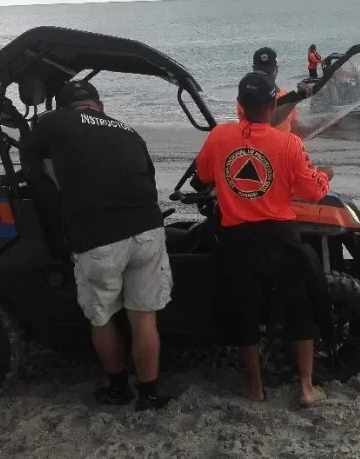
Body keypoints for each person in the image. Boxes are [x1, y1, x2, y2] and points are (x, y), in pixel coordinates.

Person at [22, 80, 174, 411]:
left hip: (98, 236)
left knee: (102, 317)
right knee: (144, 316)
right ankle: (149, 394)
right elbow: (147, 179)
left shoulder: (52, 122)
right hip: (148, 229)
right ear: (99, 105)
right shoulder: (130, 131)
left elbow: (32, 166)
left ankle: (119, 389)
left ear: (64, 107)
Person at [195, 71, 334, 406]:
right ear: (274, 105)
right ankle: (305, 388)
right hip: (280, 238)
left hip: (238, 240)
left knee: (244, 313)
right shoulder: (288, 143)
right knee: (299, 307)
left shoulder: (219, 137)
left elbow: (202, 178)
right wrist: (326, 175)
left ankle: (255, 387)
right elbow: (312, 192)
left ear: (240, 105)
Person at [236, 47, 306, 134]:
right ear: (253, 69)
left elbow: (295, 126)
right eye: (260, 72)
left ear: (276, 70)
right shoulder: (248, 96)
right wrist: (296, 98)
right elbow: (267, 121)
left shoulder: (285, 95)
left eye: (268, 73)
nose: (264, 77)